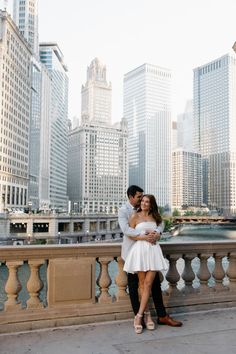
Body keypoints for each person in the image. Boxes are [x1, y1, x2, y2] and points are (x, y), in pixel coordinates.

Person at [118, 185, 182, 332]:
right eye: (140, 197)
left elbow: (161, 223)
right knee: (135, 287)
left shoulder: (153, 215)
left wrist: (158, 233)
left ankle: (161, 315)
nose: (142, 200)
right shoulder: (124, 211)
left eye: (144, 198)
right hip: (133, 253)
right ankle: (141, 317)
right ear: (131, 196)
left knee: (153, 285)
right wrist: (146, 237)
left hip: (151, 252)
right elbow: (127, 230)